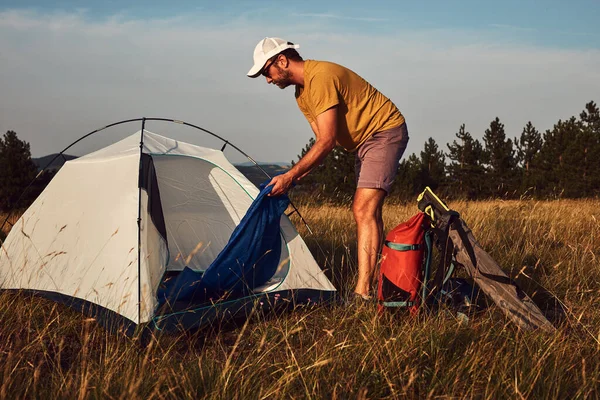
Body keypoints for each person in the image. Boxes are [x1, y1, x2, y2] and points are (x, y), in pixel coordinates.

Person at [247, 37, 409, 301]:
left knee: (362, 209)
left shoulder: (320, 77)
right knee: (371, 212)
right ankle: (379, 281)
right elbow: (323, 144)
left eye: (267, 72)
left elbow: (326, 140)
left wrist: (289, 175)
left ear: (282, 60)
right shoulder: (302, 96)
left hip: (384, 132)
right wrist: (293, 179)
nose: (268, 79)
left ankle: (362, 293)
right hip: (362, 143)